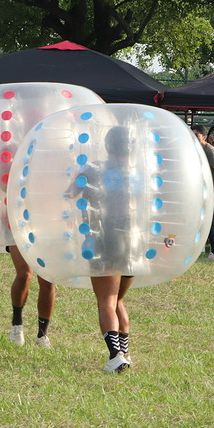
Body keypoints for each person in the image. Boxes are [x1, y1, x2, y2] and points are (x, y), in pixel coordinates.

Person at [73, 125, 137, 373]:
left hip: (105, 236)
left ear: (108, 145)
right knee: (119, 299)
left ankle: (115, 356)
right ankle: (125, 353)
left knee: (107, 300)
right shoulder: (137, 172)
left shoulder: (94, 169)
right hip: (134, 240)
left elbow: (71, 192)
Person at [7, 244, 56, 348]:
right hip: (19, 234)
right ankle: (17, 325)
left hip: (49, 236)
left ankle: (42, 335)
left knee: (47, 279)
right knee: (24, 274)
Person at [192, 124, 214, 259]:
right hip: (204, 189)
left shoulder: (210, 150)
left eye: (196, 135)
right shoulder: (195, 149)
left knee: (207, 220)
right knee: (201, 219)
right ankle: (201, 248)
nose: (194, 138)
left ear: (204, 137)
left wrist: (213, 194)